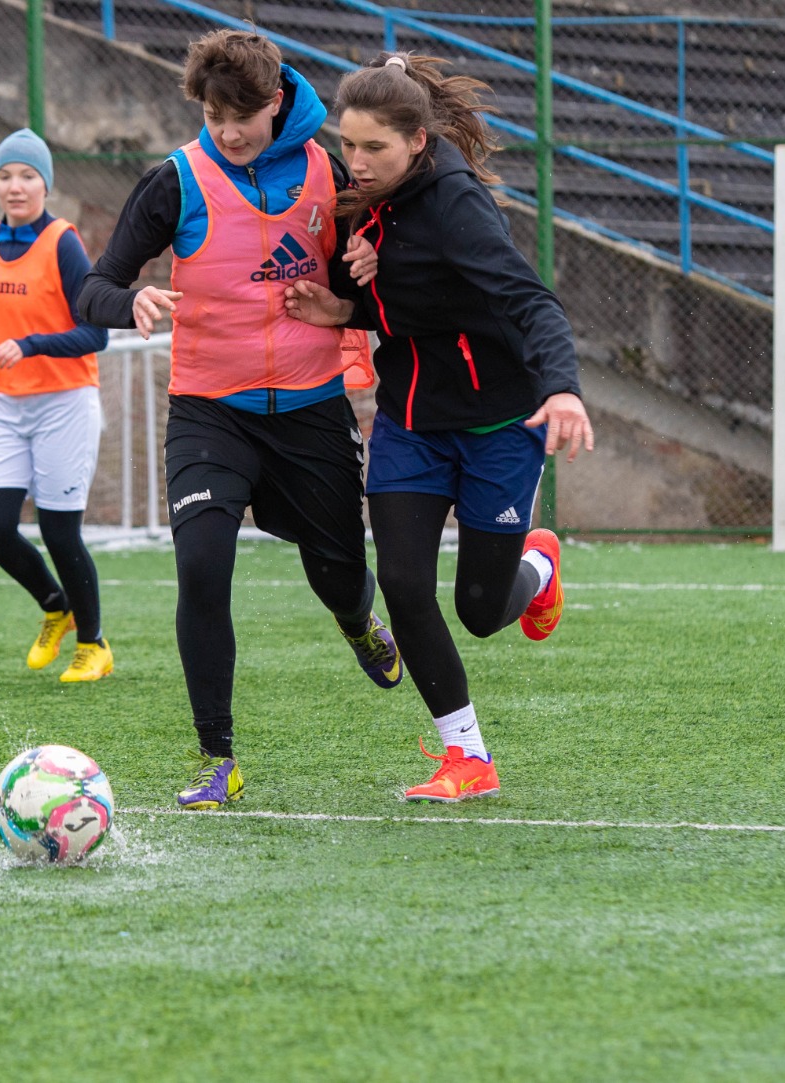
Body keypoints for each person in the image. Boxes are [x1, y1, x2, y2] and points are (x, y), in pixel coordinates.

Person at [75, 30, 403, 808]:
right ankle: (215, 755)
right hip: (209, 413)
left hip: (311, 410)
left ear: (277, 101)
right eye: (213, 116)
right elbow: (93, 287)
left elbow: (382, 259)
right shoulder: (174, 181)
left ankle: (357, 616)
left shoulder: (329, 169)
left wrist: (369, 266)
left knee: (339, 574)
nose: (227, 132)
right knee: (201, 566)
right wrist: (130, 301)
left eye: (242, 116)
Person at [283, 53, 595, 802]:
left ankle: (538, 565)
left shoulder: (457, 206)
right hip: (411, 424)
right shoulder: (366, 197)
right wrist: (346, 305)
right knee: (401, 582)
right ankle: (468, 757)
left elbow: (530, 302)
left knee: (481, 611)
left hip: (497, 423)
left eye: (374, 148)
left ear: (418, 141)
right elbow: (413, 301)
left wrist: (563, 389)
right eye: (347, 144)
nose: (355, 163)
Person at [0, 131, 114, 682]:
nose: (15, 186)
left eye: (28, 176)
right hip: (3, 406)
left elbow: (96, 334)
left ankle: (94, 645)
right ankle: (55, 605)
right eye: (5, 176)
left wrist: (32, 345)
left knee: (60, 532)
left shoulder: (63, 242)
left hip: (64, 402)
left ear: (45, 185)